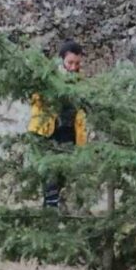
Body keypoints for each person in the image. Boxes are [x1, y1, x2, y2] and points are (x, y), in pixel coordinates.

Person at [27, 39, 87, 208]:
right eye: (70, 63)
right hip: (47, 132)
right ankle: (50, 211)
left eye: (77, 63)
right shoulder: (48, 78)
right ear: (61, 60)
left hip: (70, 135)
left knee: (62, 176)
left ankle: (54, 209)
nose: (73, 67)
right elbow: (36, 100)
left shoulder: (81, 82)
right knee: (50, 176)